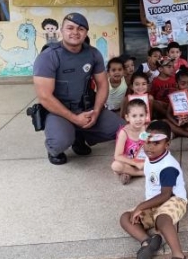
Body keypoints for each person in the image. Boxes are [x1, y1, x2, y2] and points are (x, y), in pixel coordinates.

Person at [33, 12, 125, 165]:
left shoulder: (93, 54)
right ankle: (55, 148)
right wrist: (74, 118)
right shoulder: (49, 56)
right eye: (70, 28)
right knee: (59, 142)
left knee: (122, 130)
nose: (75, 32)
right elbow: (44, 96)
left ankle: (79, 136)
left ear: (86, 33)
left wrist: (96, 112)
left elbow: (102, 85)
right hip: (59, 111)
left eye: (81, 29)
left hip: (86, 107)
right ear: (61, 31)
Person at [119, 120, 187, 259]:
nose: (150, 147)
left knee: (162, 220)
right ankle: (147, 241)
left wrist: (141, 206)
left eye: (156, 143)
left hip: (174, 200)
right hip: (153, 202)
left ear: (167, 144)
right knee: (126, 218)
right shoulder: (150, 158)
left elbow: (166, 195)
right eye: (147, 142)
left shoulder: (168, 166)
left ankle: (178, 254)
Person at [111, 99, 148, 184]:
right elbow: (117, 156)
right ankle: (142, 173)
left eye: (141, 115)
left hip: (143, 161)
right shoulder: (124, 133)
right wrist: (135, 163)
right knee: (116, 166)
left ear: (146, 116)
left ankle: (129, 173)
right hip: (128, 161)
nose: (138, 119)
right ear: (127, 117)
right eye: (134, 116)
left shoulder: (146, 129)